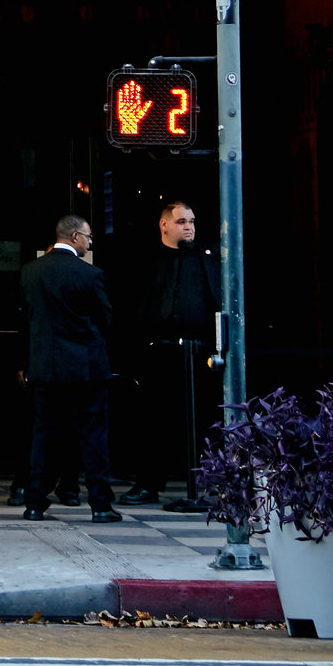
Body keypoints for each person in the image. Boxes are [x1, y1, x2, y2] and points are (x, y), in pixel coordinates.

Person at [18, 214, 120, 523]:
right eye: (88, 237)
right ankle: (100, 505)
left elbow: (26, 321)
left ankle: (34, 502)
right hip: (85, 368)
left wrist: (25, 362)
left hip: (45, 366)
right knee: (92, 436)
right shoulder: (90, 275)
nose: (90, 243)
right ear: (74, 237)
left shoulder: (30, 272)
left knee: (43, 435)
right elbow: (106, 320)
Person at [123, 200, 220, 509]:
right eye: (181, 221)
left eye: (191, 220)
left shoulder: (207, 259)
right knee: (153, 420)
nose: (188, 226)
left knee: (205, 420)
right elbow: (136, 308)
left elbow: (217, 301)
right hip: (159, 352)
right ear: (164, 225)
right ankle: (148, 484)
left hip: (199, 352)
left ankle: (210, 483)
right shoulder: (148, 260)